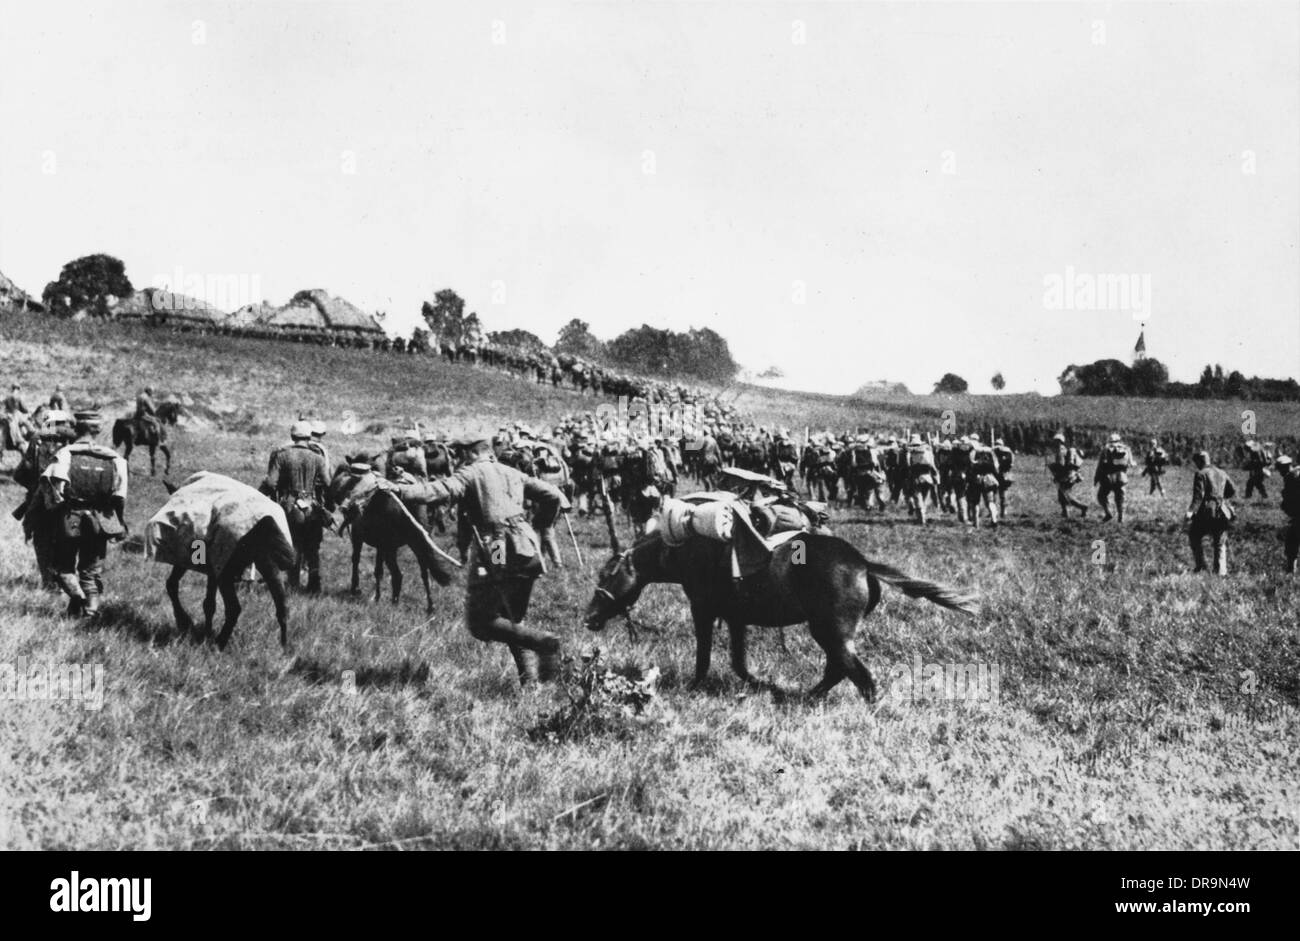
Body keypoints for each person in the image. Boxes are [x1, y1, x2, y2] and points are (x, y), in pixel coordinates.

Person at [424, 435, 568, 687]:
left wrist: (399, 490)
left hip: (498, 552)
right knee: (511, 619)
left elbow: (438, 490)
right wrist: (541, 525)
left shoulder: (470, 473)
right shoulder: (509, 471)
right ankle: (530, 682)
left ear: (470, 453)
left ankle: (543, 642)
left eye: (460, 454)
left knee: (481, 623)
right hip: (527, 549)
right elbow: (554, 495)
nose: (458, 459)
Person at [39, 411, 129, 616]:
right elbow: (119, 497)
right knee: (91, 572)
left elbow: (53, 491)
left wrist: (52, 515)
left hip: (69, 519)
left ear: (76, 428)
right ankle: (90, 612)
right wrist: (119, 523)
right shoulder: (116, 459)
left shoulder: (65, 454)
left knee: (61, 567)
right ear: (97, 430)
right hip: (101, 521)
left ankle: (78, 599)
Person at [264, 420, 332, 592]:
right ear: (309, 437)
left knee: (293, 544)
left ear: (292, 436)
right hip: (312, 507)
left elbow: (271, 483)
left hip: (289, 506)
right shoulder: (317, 457)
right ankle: (314, 585)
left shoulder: (282, 455)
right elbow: (327, 482)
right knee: (313, 548)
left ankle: (293, 584)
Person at [12, 409, 77, 588]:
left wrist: (34, 489)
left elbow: (21, 473)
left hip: (40, 502)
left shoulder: (37, 440)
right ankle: (67, 582)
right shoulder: (72, 441)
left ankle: (49, 584)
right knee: (65, 542)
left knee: (42, 542)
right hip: (67, 502)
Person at [1186, 450, 1236, 576]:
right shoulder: (1222, 472)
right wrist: (1220, 497)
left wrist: (1190, 512)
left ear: (1199, 461)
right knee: (1220, 541)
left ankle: (1201, 566)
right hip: (1222, 511)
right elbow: (1232, 490)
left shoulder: (1200, 473)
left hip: (1207, 512)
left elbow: (1198, 496)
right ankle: (1221, 572)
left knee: (1194, 535)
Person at [1047, 432, 1088, 518]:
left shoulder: (1060, 451)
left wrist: (1052, 466)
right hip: (1069, 475)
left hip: (1066, 476)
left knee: (1065, 496)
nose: (1054, 443)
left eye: (1056, 441)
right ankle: (1065, 512)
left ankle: (1083, 507)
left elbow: (1061, 465)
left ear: (1059, 441)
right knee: (1061, 495)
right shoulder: (1063, 450)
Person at [1095, 433, 1133, 523]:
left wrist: (1096, 478)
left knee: (1101, 496)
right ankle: (1121, 518)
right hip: (1121, 477)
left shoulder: (1105, 449)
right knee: (1120, 498)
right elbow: (1130, 463)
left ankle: (1108, 513)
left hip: (1108, 478)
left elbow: (1100, 465)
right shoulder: (1126, 449)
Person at [1277, 454, 1300, 574]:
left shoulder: (1291, 476)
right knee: (1292, 540)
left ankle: (1291, 572)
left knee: (1292, 542)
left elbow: (1289, 499)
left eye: (1280, 468)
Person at [992, 438, 1015, 516]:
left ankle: (995, 511)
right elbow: (1011, 464)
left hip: (997, 475)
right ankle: (1003, 511)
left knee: (995, 494)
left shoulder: (994, 452)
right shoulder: (1008, 452)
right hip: (1004, 475)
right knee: (1003, 494)